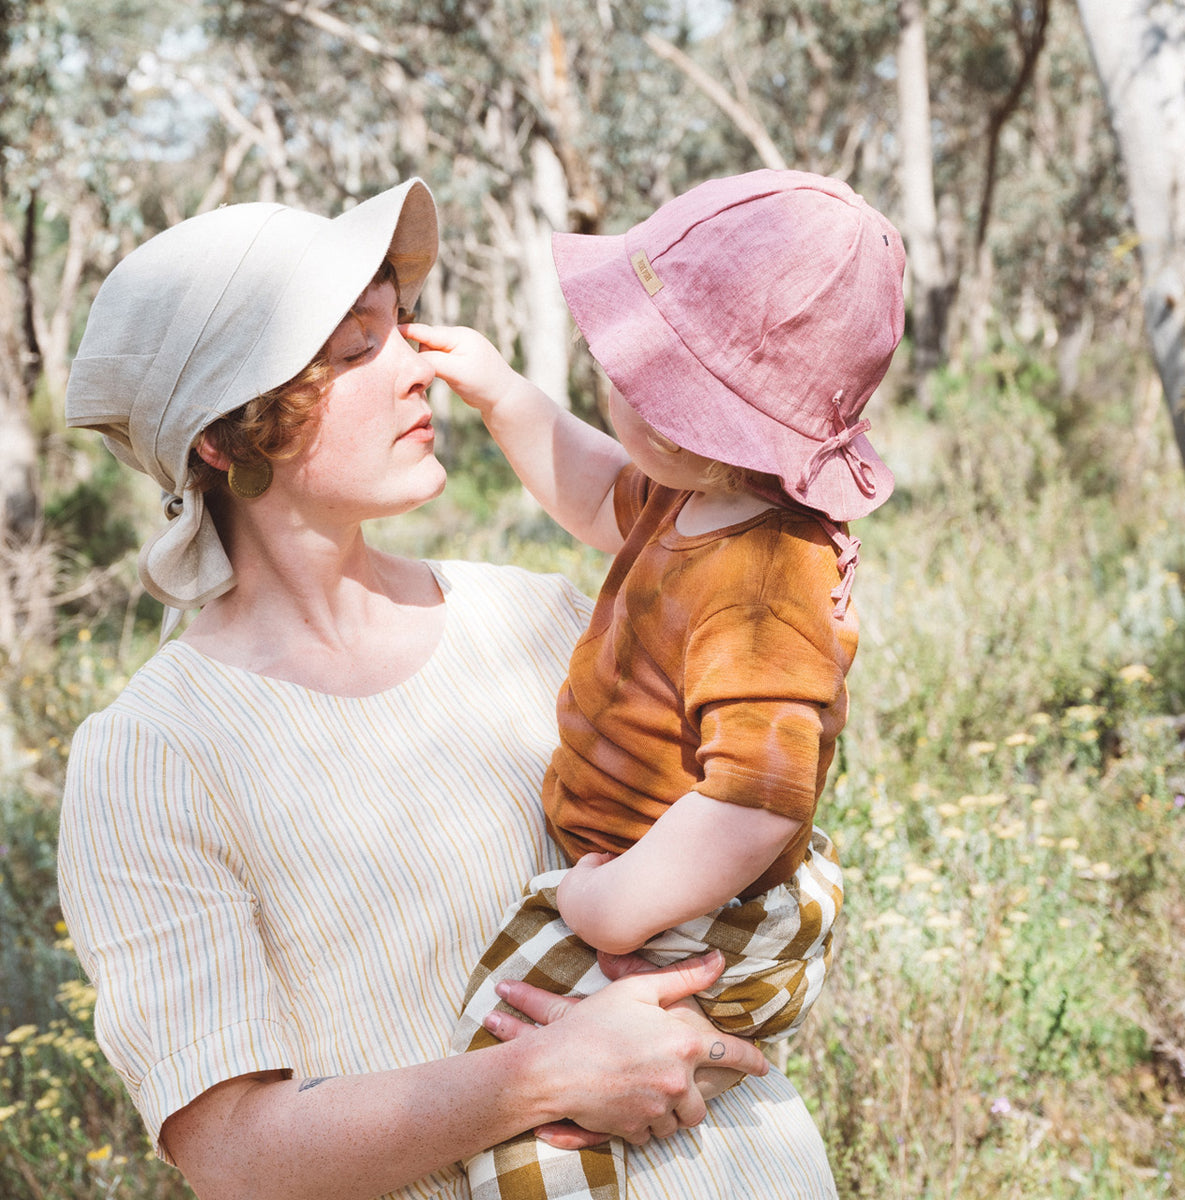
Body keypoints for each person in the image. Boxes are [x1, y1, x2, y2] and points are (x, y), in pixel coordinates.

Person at [56, 177, 843, 1200]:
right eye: (351, 350)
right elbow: (234, 1154)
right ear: (224, 435)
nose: (417, 368)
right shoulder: (151, 758)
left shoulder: (544, 616)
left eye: (403, 325)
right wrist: (537, 1077)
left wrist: (714, 1011)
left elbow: (753, 849)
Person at [408, 169, 905, 1200]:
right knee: (525, 1063)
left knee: (532, 1100)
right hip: (654, 871)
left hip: (689, 894)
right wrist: (504, 394)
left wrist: (615, 910)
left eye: (632, 372)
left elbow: (754, 803)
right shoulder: (690, 502)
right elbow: (597, 491)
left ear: (695, 420)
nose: (608, 377)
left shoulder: (768, 574)